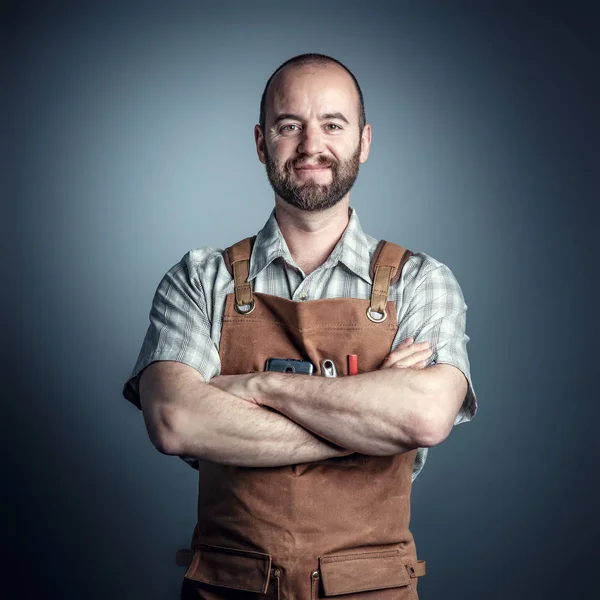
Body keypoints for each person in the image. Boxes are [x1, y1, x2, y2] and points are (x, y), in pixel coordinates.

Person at [122, 53, 477, 600]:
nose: (312, 145)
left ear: (364, 141)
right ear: (263, 143)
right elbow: (174, 420)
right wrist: (365, 423)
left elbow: (427, 416)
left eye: (333, 125)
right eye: (291, 126)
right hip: (228, 587)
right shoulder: (198, 279)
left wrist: (258, 386)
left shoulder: (421, 281)